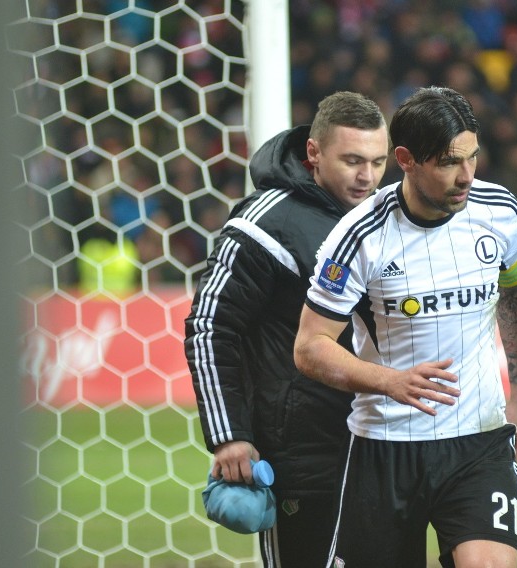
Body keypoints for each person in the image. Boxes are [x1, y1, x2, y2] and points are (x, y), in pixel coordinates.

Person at [293, 86, 517, 568]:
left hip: (479, 439)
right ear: (405, 159)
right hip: (385, 447)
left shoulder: (500, 212)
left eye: (472, 157)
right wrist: (391, 382)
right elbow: (310, 347)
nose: (466, 176)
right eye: (448, 162)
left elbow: (514, 292)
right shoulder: (359, 236)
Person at [183, 91, 389, 567]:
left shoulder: (384, 215)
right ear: (313, 153)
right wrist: (229, 433)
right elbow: (211, 326)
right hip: (304, 457)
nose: (367, 176)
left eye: (378, 162)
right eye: (353, 160)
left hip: (385, 447)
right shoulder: (264, 223)